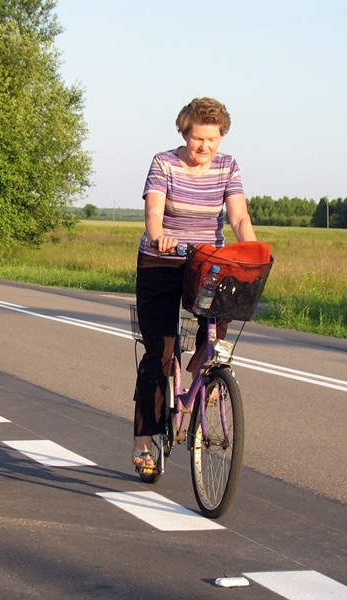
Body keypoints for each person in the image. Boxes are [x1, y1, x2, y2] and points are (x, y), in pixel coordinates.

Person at [132, 97, 257, 471]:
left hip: (207, 263)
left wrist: (249, 249)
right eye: (197, 139)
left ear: (222, 138)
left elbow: (238, 215)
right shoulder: (164, 163)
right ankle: (143, 444)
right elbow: (154, 210)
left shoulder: (228, 166)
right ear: (184, 133)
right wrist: (159, 236)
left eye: (212, 140)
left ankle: (204, 372)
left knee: (219, 328)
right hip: (162, 260)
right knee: (160, 352)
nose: (204, 147)